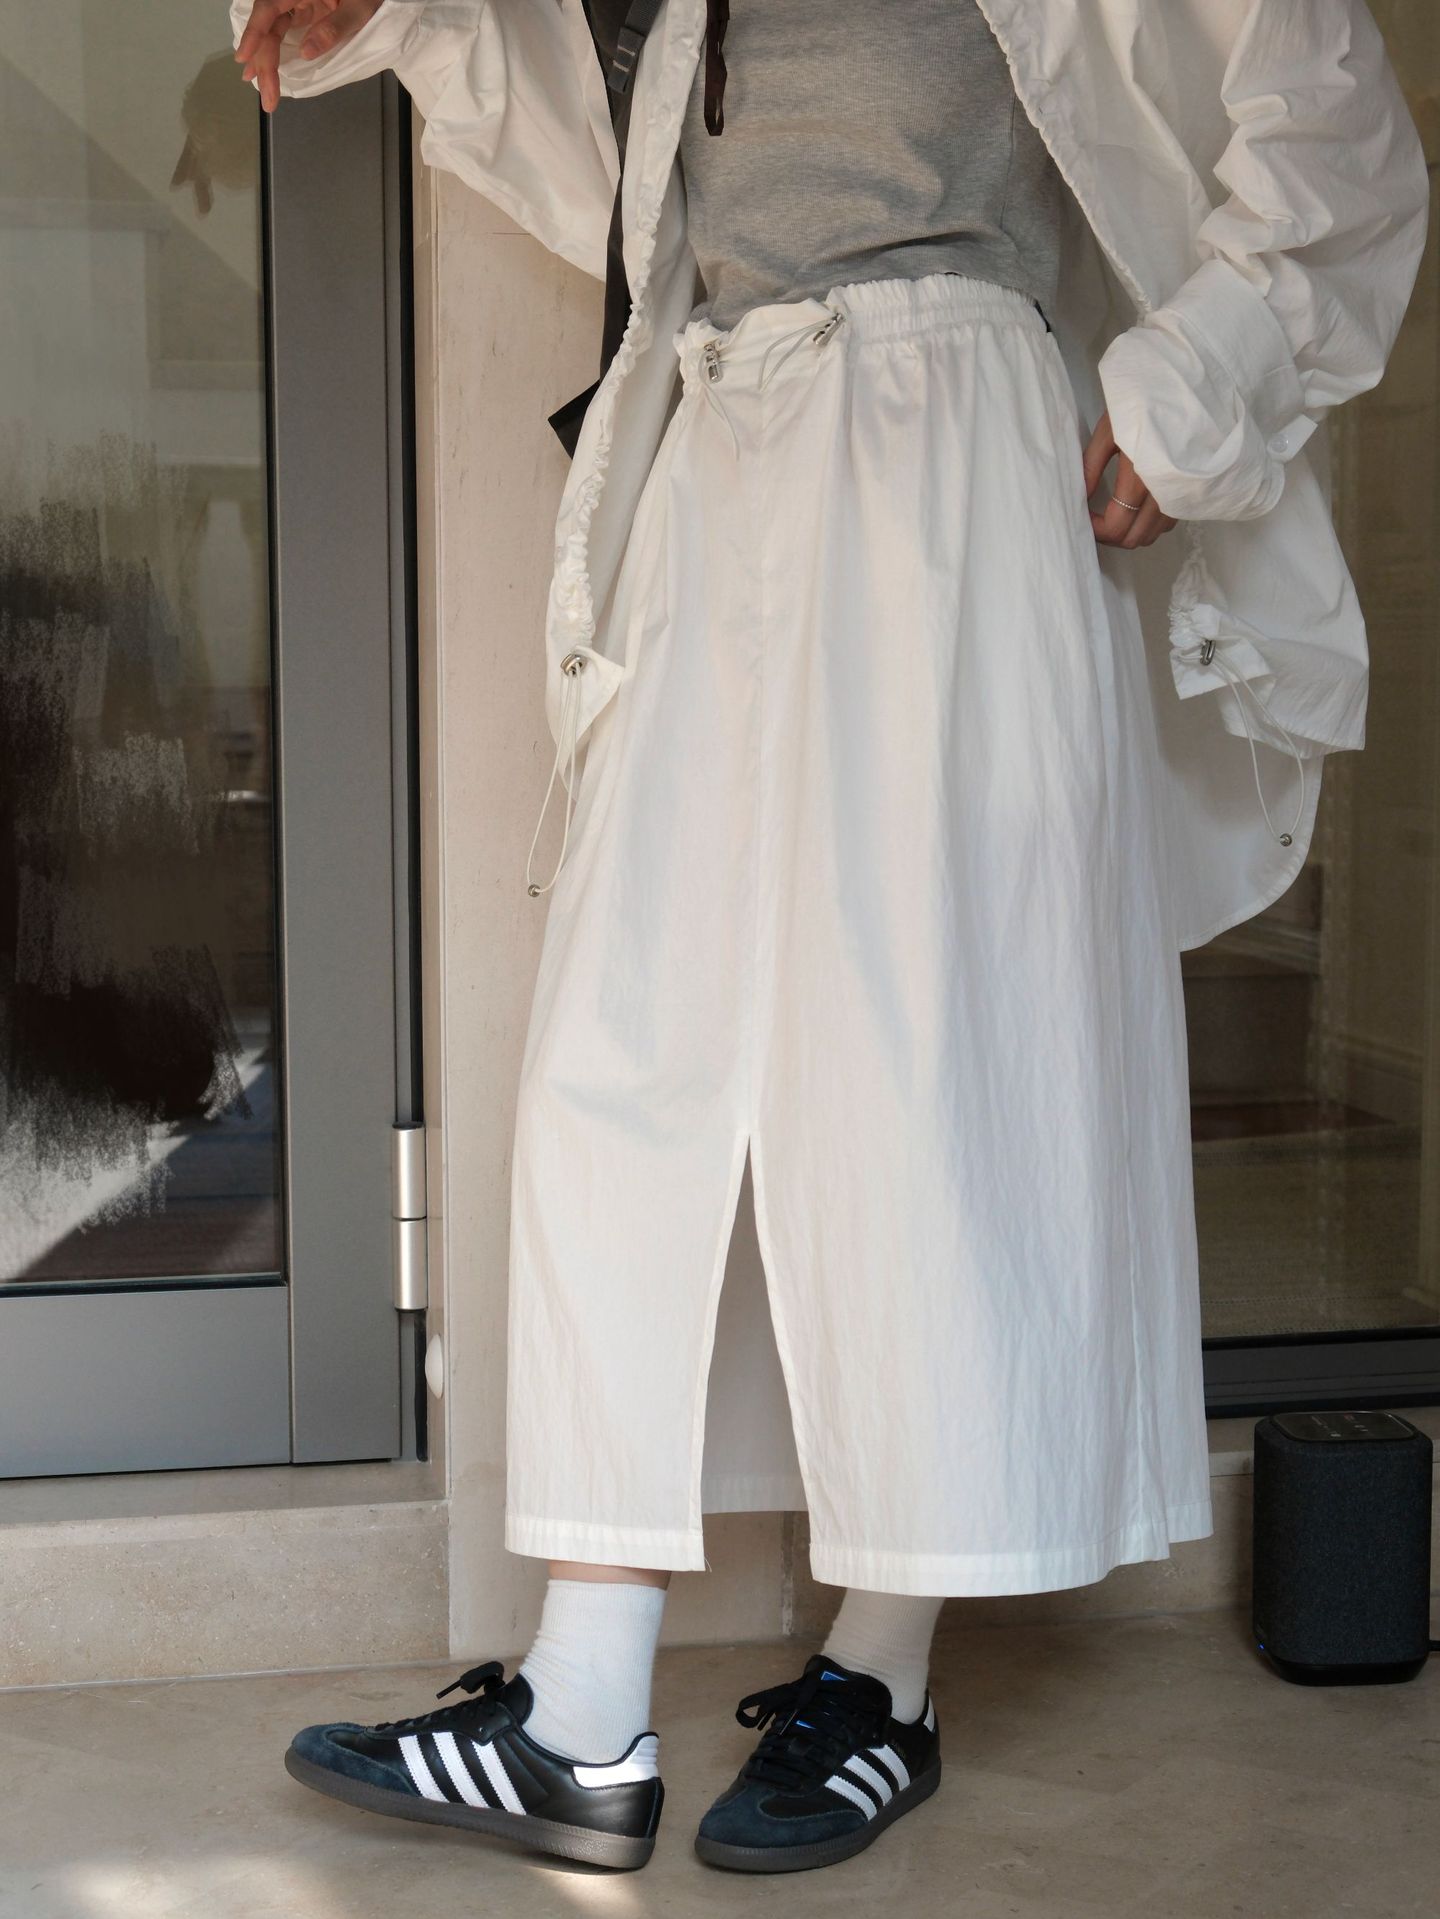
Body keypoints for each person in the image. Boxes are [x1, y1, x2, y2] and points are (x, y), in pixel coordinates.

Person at [232, 0, 1428, 1877]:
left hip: (953, 438)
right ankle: (581, 1711)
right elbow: (619, 171)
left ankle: (882, 1670)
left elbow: (1334, 124)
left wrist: (1191, 383)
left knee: (917, 1066)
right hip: (714, 435)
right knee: (622, 1056)